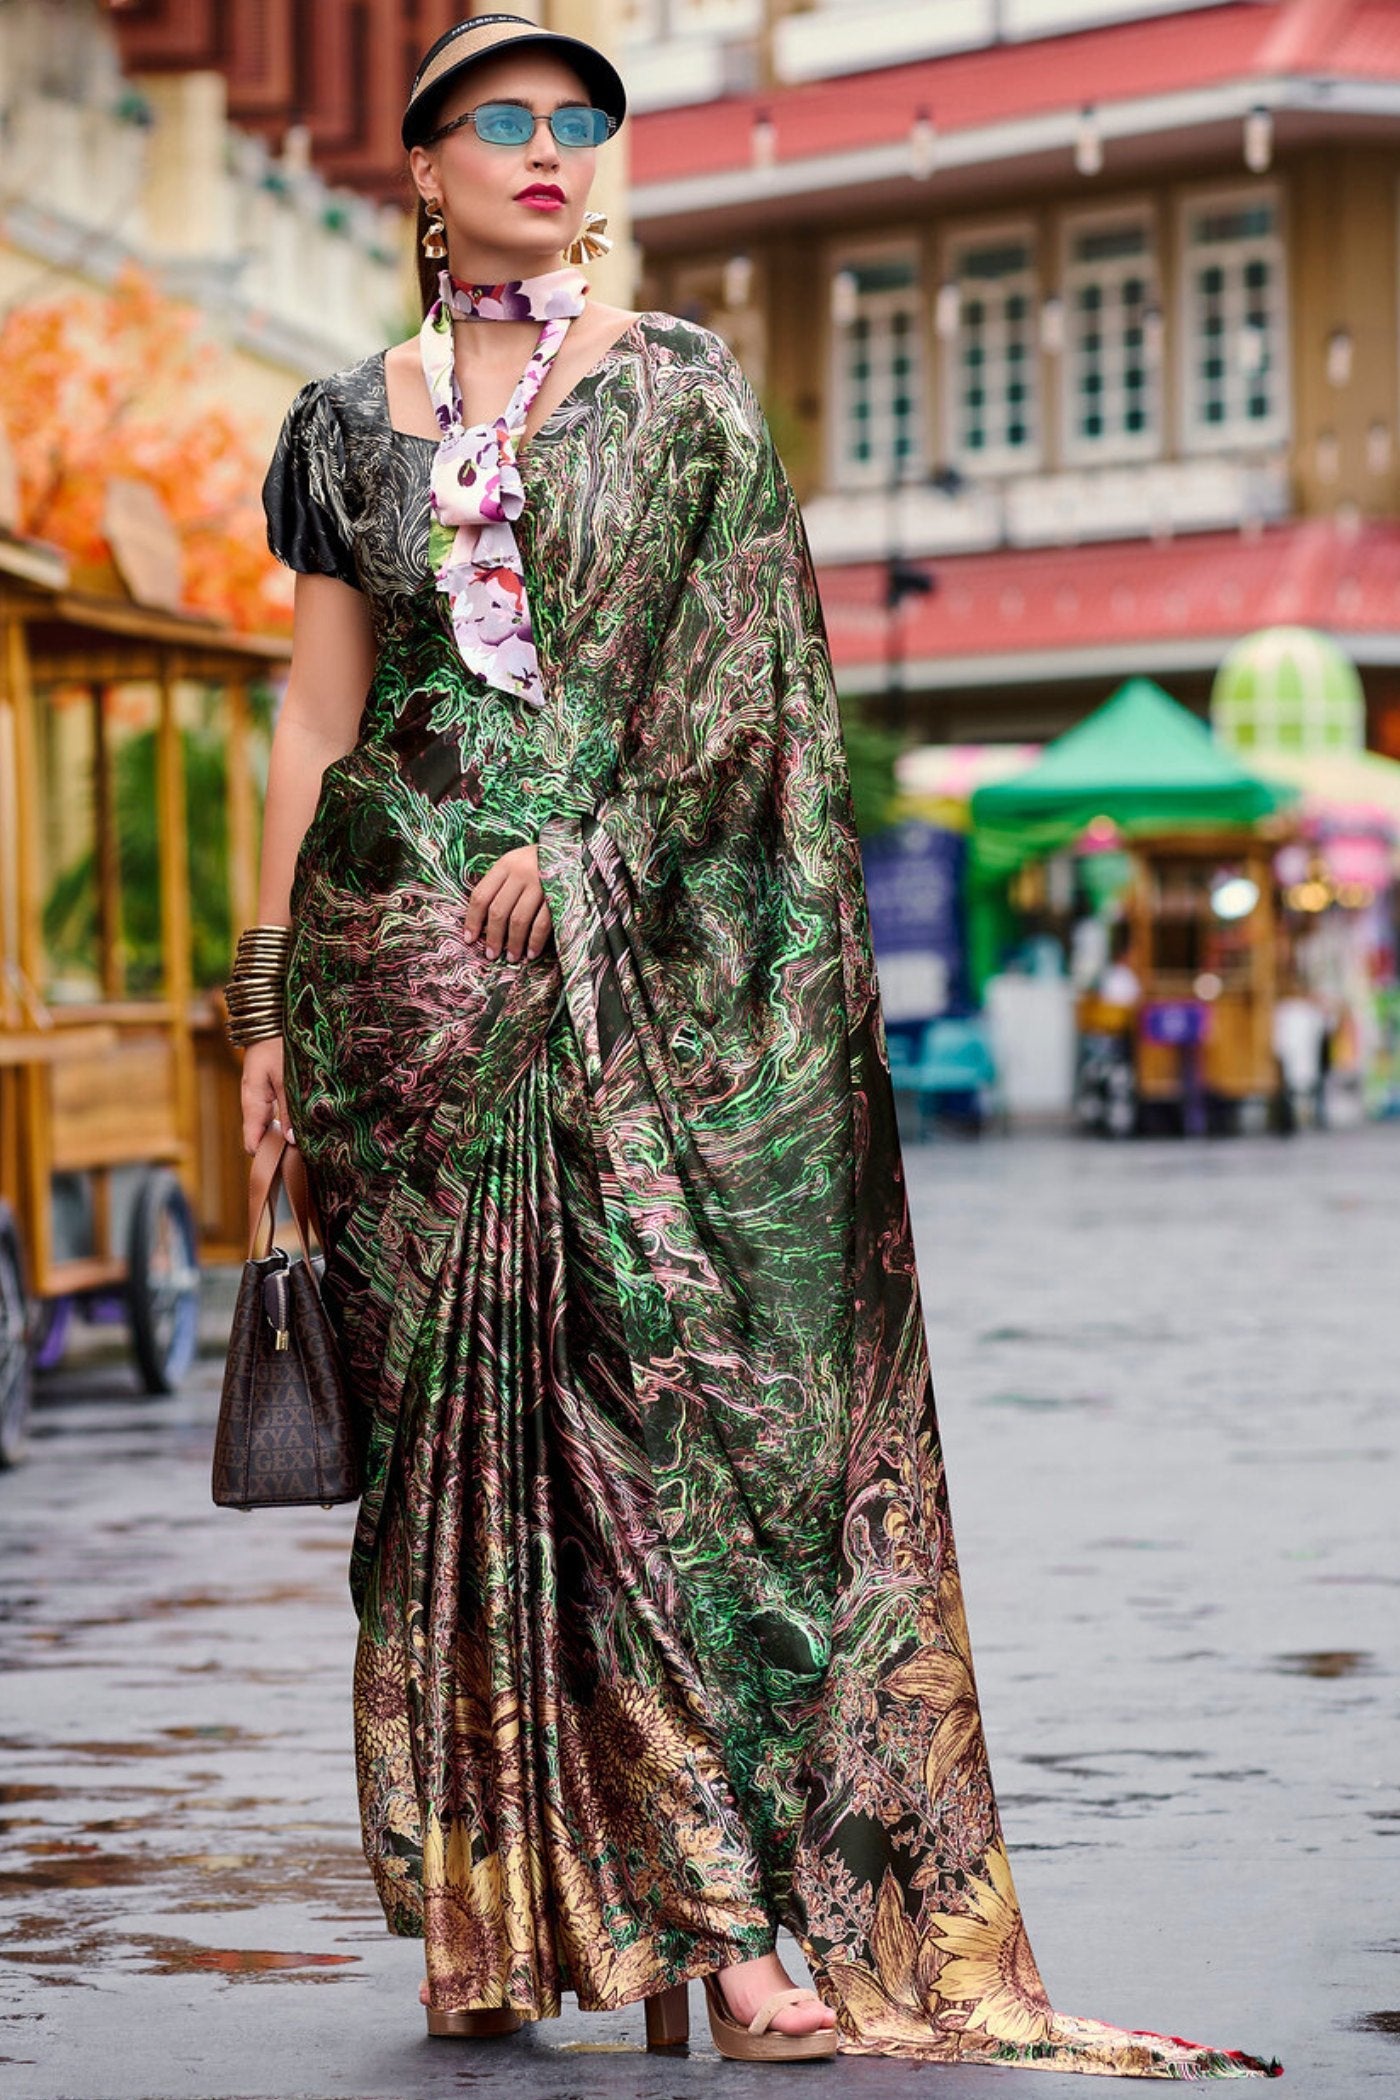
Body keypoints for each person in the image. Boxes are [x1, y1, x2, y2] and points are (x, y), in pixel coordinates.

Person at [225, 11, 1280, 2079]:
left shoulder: (685, 398)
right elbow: (311, 716)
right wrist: (267, 1010)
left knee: (662, 1442)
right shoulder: (345, 429)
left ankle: (727, 1929)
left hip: (637, 1004)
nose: (551, 148)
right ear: (420, 170)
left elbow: (762, 707)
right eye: (504, 121)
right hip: (396, 1012)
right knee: (452, 1464)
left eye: (581, 119)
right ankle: (499, 1908)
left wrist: (599, 850)